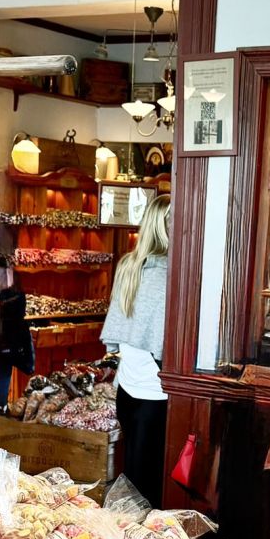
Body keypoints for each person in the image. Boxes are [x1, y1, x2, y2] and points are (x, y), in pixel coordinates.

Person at [102, 193, 170, 507]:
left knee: (131, 478)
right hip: (155, 393)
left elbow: (121, 329)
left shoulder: (129, 265)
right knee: (150, 488)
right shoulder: (168, 273)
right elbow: (162, 342)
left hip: (127, 390)